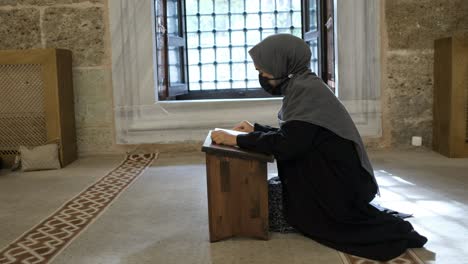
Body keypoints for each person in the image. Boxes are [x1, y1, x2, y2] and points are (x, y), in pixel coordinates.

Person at [210, 34, 427, 261]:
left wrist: (237, 140)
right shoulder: (302, 84)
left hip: (342, 185)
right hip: (333, 172)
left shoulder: (307, 91)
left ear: (281, 64)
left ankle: (395, 232)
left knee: (319, 221)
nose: (262, 77)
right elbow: (296, 134)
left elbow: (288, 145)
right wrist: (255, 129)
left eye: (263, 71)